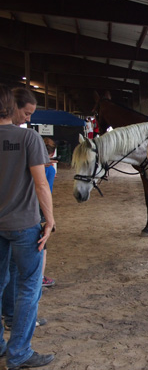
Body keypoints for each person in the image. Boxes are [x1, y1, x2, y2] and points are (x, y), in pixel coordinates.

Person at [0, 85, 55, 369]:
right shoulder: (28, 138)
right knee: (28, 286)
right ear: (11, 107)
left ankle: (1, 344)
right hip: (23, 223)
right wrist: (51, 219)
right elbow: (41, 182)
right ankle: (19, 352)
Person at [41, 137, 57, 288]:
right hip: (38, 212)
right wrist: (50, 217)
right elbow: (47, 192)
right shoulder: (49, 169)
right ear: (52, 154)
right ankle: (40, 277)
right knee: (41, 246)